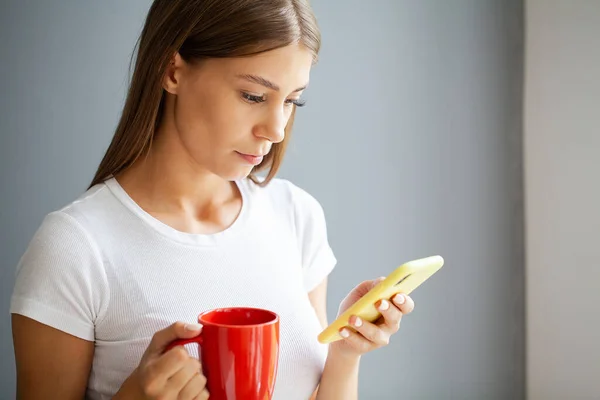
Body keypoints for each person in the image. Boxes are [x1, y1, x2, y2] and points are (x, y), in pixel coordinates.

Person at [10, 1, 415, 399]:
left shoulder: (297, 216)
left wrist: (345, 352)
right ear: (172, 70)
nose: (276, 129)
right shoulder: (76, 247)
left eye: (292, 101)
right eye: (254, 96)